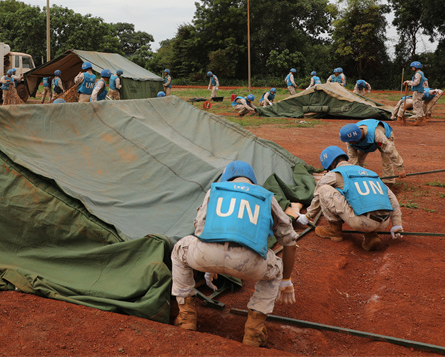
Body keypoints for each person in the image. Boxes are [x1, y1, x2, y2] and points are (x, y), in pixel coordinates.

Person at [171, 161, 297, 346]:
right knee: (276, 268)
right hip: (249, 263)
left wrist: (209, 263)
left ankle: (186, 317)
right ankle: (254, 332)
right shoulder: (266, 196)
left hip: (205, 255)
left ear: (226, 178)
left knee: (179, 249)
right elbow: (289, 241)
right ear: (252, 181)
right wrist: (286, 280)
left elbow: (200, 229)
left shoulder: (215, 190)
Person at [296, 146, 404, 251]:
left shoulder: (334, 173)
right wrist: (397, 224)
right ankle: (371, 235)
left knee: (324, 189)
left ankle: (334, 231)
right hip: (384, 222)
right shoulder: (370, 173)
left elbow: (317, 194)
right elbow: (392, 197)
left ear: (332, 164)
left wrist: (307, 216)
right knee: (355, 194)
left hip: (362, 222)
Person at [339, 120, 406, 181]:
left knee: (386, 159)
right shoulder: (350, 140)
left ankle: (388, 182)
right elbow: (352, 158)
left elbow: (390, 150)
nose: (350, 143)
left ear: (357, 138)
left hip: (383, 137)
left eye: (351, 141)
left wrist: (400, 169)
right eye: (348, 141)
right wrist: (354, 175)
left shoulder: (376, 134)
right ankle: (359, 179)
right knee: (358, 161)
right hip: (366, 142)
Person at [403, 61, 427, 125]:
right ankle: (422, 117)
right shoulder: (421, 73)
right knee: (419, 104)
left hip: (417, 91)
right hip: (420, 91)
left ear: (415, 67)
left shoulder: (417, 74)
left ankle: (418, 120)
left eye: (413, 67)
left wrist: (408, 83)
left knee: (417, 105)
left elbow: (416, 82)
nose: (412, 68)